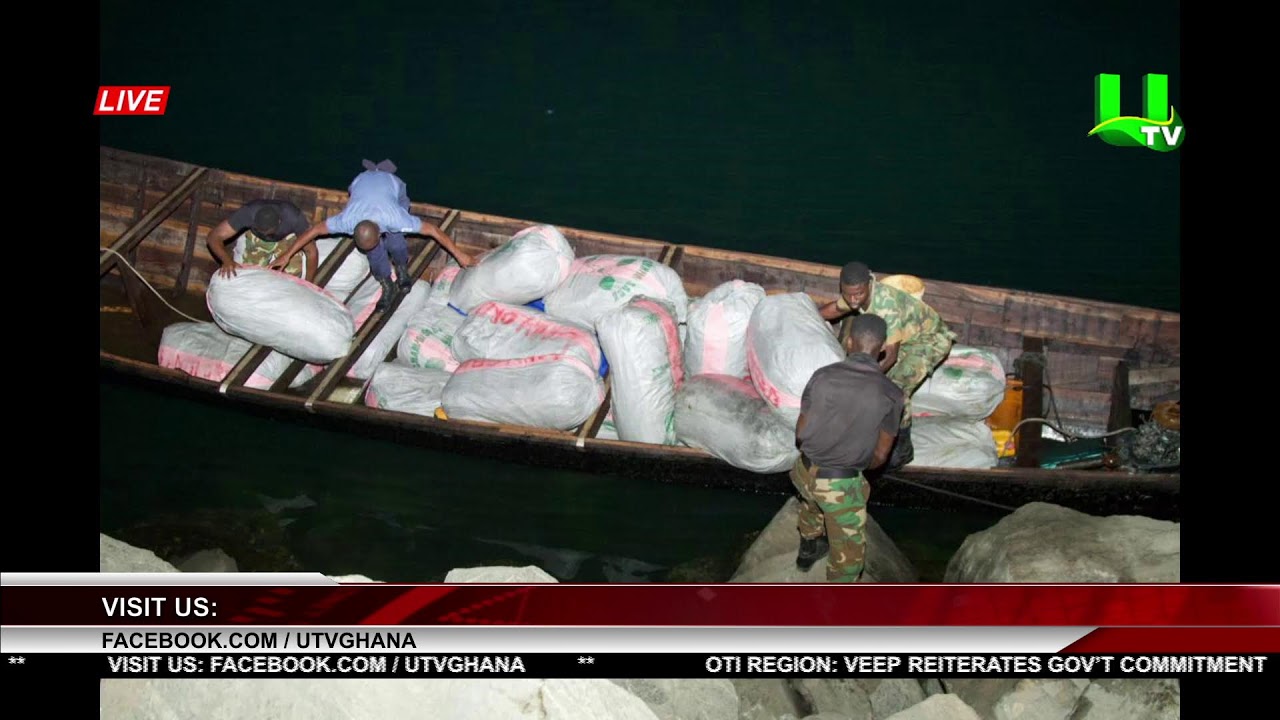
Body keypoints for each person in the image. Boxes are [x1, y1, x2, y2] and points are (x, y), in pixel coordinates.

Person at [270, 159, 477, 311]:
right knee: (375, 256)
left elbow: (433, 230)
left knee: (396, 242)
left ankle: (402, 269)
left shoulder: (395, 218)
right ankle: (387, 284)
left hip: (393, 188)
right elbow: (313, 231)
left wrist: (460, 255)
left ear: (379, 233)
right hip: (361, 182)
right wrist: (287, 255)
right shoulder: (347, 220)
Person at [792, 313, 904, 582]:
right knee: (849, 566)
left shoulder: (822, 376)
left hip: (803, 472)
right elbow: (880, 455)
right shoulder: (891, 393)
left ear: (849, 342)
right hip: (839, 485)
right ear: (883, 347)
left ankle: (808, 548)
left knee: (811, 504)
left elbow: (800, 433)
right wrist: (856, 464)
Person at [817, 261, 957, 469]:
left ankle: (902, 450)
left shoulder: (886, 307)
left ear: (869, 285)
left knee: (895, 390)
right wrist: (809, 317)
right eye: (848, 294)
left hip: (929, 341)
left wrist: (863, 382)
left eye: (858, 294)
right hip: (904, 337)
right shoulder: (855, 295)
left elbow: (890, 356)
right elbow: (835, 309)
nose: (853, 300)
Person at [205, 199, 318, 281]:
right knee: (248, 277)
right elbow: (213, 236)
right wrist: (226, 260)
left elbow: (311, 252)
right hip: (257, 239)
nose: (266, 234)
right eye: (262, 230)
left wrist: (309, 284)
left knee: (292, 276)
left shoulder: (293, 217)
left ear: (279, 222)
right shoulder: (248, 212)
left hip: (287, 238)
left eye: (268, 231)